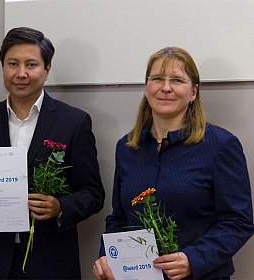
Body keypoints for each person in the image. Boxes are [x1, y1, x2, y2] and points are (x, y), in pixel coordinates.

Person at [0, 26, 105, 279]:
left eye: (31, 65)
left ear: (46, 71)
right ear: (2, 67)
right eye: (13, 64)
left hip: (51, 262)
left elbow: (93, 193)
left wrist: (60, 206)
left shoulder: (73, 122)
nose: (21, 73)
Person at [93, 47, 254, 280]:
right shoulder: (127, 148)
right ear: (147, 87)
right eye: (157, 79)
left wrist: (194, 259)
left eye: (177, 80)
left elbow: (238, 222)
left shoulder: (221, 145)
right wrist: (107, 257)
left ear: (193, 92)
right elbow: (119, 219)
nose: (165, 88)